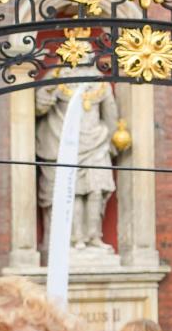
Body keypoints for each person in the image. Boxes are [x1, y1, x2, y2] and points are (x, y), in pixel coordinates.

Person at [35, 64, 122, 251]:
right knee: (72, 193)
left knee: (96, 190)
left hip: (96, 143)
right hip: (63, 144)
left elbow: (110, 114)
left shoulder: (100, 82)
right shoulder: (56, 76)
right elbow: (39, 107)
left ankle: (93, 237)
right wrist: (49, 90)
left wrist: (114, 139)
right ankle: (74, 239)